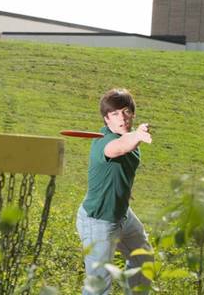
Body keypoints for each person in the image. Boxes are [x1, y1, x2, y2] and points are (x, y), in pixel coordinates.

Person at [76, 88, 153, 295]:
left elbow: (125, 158)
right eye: (115, 113)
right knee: (98, 287)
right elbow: (117, 148)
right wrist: (137, 135)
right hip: (99, 221)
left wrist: (124, 191)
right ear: (106, 119)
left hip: (122, 214)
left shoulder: (130, 139)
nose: (122, 117)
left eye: (126, 111)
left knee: (143, 258)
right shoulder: (105, 140)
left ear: (133, 114)